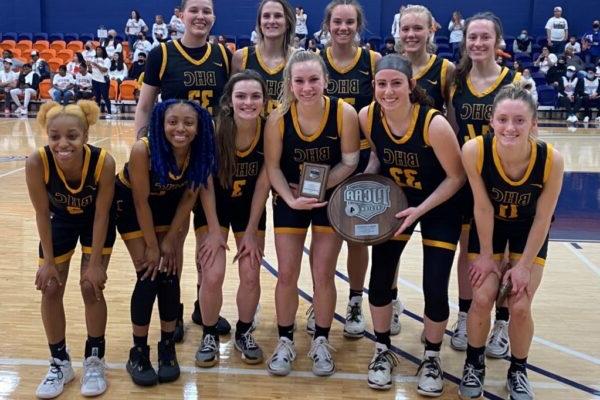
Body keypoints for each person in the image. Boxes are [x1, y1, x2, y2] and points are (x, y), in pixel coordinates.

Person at [360, 54, 464, 395]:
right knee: (379, 278)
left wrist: (420, 210)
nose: (388, 91)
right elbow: (378, 155)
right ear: (374, 86)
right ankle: (382, 349)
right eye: (382, 84)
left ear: (411, 86)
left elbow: (455, 177)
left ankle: (432, 356)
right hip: (396, 203)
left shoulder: (433, 123)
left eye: (396, 84)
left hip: (438, 206)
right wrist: (362, 183)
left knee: (434, 285)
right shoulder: (367, 116)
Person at [458, 82, 564, 400]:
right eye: (503, 119)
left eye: (519, 120)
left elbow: (544, 218)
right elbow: (482, 205)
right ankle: (474, 364)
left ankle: (518, 369)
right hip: (491, 228)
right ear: (492, 120)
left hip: (528, 231)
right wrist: (488, 255)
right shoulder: (475, 150)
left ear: (534, 123)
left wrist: (523, 266)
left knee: (519, 305)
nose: (510, 127)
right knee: (482, 297)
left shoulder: (551, 160)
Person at [135, 0, 232, 342]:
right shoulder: (161, 53)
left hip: (209, 161)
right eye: (195, 10)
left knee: (203, 239)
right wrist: (143, 148)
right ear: (181, 15)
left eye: (207, 11)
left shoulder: (223, 56)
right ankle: (170, 315)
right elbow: (146, 105)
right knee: (171, 239)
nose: (201, 16)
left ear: (213, 17)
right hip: (171, 161)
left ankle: (201, 306)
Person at [265, 50, 359, 377]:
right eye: (300, 81)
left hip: (328, 201)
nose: (307, 87)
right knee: (287, 273)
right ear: (290, 84)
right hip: (291, 200)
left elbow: (350, 161)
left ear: (325, 81)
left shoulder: (344, 113)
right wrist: (291, 200)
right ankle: (285, 340)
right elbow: (273, 167)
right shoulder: (278, 117)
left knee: (323, 273)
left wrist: (318, 189)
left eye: (314, 80)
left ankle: (321, 340)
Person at [115, 99, 216, 386]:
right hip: (133, 209)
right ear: (161, 123)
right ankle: (138, 350)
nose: (180, 128)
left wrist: (170, 241)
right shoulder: (142, 150)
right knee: (149, 274)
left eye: (188, 122)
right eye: (172, 122)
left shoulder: (201, 150)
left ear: (198, 128)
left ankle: (167, 345)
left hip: (169, 207)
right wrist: (152, 246)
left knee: (169, 274)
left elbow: (188, 197)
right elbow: (140, 200)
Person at [27, 100, 115, 398]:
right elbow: (41, 213)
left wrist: (94, 265)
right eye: (55, 136)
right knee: (50, 287)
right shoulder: (37, 162)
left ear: (86, 135)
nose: (63, 143)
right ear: (48, 136)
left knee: (91, 286)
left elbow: (103, 214)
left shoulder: (104, 162)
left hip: (95, 222)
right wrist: (47, 262)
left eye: (72, 136)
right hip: (59, 220)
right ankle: (59, 362)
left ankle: (95, 358)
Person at [447, 12, 521, 359]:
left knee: (506, 255)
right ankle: (465, 316)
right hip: (467, 179)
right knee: (469, 253)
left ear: (497, 41)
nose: (477, 43)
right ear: (464, 42)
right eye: (471, 38)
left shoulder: (514, 81)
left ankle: (502, 322)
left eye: (484, 37)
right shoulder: (454, 80)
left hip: (503, 180)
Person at [193, 70, 271, 367]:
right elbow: (206, 183)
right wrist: (214, 230)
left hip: (249, 209)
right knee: (212, 274)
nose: (248, 102)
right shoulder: (213, 130)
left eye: (255, 96)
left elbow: (264, 183)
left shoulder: (269, 130)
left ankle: (244, 331)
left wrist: (251, 230)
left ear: (265, 100)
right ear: (229, 100)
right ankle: (209, 333)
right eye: (241, 96)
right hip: (213, 208)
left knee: (250, 272)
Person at [319, 0, 381, 339]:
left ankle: (356, 300)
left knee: (359, 239)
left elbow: (383, 111)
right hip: (323, 161)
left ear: (358, 25)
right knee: (322, 238)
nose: (343, 28)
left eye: (349, 22)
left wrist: (375, 161)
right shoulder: (315, 61)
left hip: (362, 162)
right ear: (327, 24)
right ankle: (322, 296)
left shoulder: (372, 62)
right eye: (337, 22)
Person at [232, 0, 296, 115]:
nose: (271, 21)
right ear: (260, 24)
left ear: (287, 23)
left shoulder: (297, 59)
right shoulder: (241, 57)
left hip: (285, 131)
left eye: (278, 16)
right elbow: (230, 101)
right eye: (266, 16)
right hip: (251, 131)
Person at [89, 47, 113, 118]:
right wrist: (88, 65)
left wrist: (96, 65)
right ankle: (97, 113)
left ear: (103, 51)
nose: (97, 51)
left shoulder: (107, 60)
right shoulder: (94, 58)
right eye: (96, 50)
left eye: (99, 50)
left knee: (105, 97)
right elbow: (90, 70)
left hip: (103, 81)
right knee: (97, 97)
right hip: (94, 79)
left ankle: (109, 113)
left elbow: (104, 70)